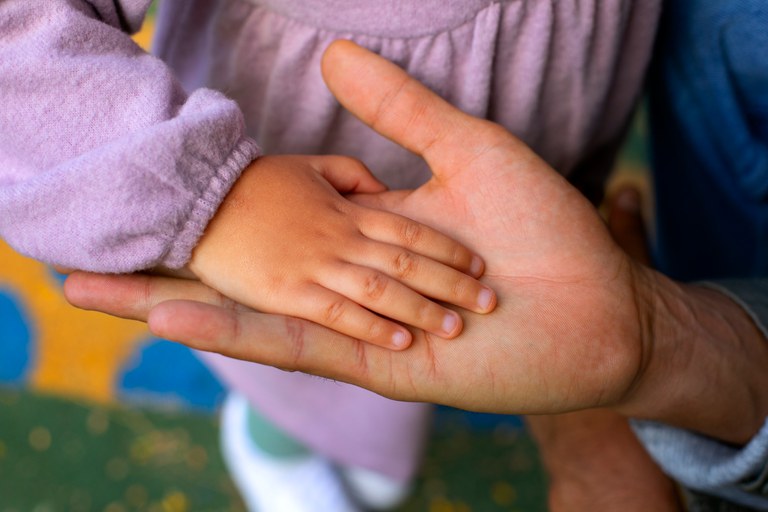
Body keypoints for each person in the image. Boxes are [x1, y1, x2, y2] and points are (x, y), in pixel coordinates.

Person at [2, 1, 664, 510]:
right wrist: (217, 197)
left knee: (449, 338)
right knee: (304, 368)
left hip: (542, 154)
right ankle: (279, 438)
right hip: (287, 213)